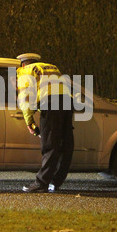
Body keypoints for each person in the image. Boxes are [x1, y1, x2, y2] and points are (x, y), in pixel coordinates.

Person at [16, 53, 74, 193]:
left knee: (50, 145)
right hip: (67, 102)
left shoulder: (26, 71)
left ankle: (41, 183)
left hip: (50, 103)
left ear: (23, 64)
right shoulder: (51, 67)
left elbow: (25, 98)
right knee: (65, 144)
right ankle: (56, 182)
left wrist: (29, 122)